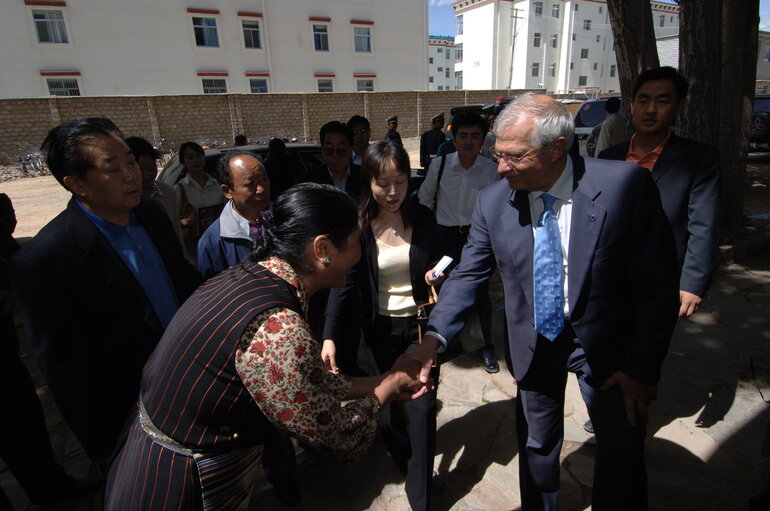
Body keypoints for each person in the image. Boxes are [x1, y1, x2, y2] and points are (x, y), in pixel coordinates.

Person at [410, 94, 680, 510]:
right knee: (537, 447)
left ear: (557, 148)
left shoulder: (625, 186)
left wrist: (641, 369)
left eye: (514, 157)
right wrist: (434, 339)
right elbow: (468, 274)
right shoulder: (494, 201)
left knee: (621, 450)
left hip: (608, 349)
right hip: (534, 342)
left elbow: (656, 285)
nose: (500, 168)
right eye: (497, 155)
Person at [104, 184, 431, 510]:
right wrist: (388, 387)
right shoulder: (278, 329)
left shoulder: (250, 277)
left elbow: (309, 383)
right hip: (176, 485)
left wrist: (381, 379)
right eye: (354, 242)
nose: (360, 252)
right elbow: (338, 437)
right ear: (322, 249)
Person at [10, 118, 201, 463]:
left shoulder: (151, 213)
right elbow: (70, 378)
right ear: (76, 183)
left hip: (191, 386)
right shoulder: (44, 262)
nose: (132, 175)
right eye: (113, 169)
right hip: (132, 419)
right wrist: (110, 453)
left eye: (130, 161)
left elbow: (183, 284)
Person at [324, 142, 443, 510]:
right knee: (388, 414)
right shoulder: (359, 228)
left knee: (421, 412)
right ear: (369, 183)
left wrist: (438, 276)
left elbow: (445, 264)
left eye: (401, 182)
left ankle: (420, 496)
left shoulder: (423, 218)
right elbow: (343, 287)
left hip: (418, 332)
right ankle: (408, 463)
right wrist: (328, 335)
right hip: (377, 334)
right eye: (383, 183)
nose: (393, 192)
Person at [599, 66, 720, 320]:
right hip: (606, 279)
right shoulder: (608, 158)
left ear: (679, 106)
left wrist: (692, 283)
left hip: (661, 281)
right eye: (643, 100)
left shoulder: (698, 159)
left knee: (645, 355)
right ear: (632, 105)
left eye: (662, 101)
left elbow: (703, 224)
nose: (651, 110)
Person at [417, 111, 500, 373]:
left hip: (477, 240)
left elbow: (497, 208)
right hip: (445, 240)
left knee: (481, 295)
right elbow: (424, 200)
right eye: (463, 136)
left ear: (483, 139)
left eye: (475, 136)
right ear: (454, 138)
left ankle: (486, 346)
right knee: (443, 291)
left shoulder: (492, 170)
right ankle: (444, 344)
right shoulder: (440, 165)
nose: (468, 142)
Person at [197, 152, 271, 280]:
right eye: (250, 184)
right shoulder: (213, 242)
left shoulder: (287, 219)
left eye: (264, 179)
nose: (261, 189)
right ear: (228, 191)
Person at [125, 136, 184, 248]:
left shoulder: (168, 193)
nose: (147, 176)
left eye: (151, 169)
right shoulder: (123, 199)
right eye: (140, 170)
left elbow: (176, 232)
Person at [174, 141, 226, 263]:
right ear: (183, 162)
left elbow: (226, 208)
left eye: (199, 156)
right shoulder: (179, 189)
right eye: (190, 157)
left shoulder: (216, 184)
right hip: (195, 245)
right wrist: (184, 222)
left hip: (218, 240)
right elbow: (171, 220)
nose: (196, 160)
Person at [298, 121, 361, 199]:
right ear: (322, 150)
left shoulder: (365, 176)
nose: (335, 156)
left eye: (341, 151)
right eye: (329, 150)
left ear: (351, 150)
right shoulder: (308, 182)